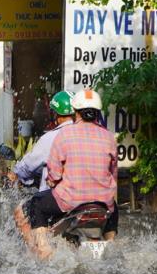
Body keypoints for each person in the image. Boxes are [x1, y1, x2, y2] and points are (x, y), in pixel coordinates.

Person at [16, 89, 118, 259]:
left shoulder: (63, 135)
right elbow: (112, 176)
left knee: (36, 205)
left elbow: (53, 176)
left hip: (71, 201)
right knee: (112, 206)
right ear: (97, 113)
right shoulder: (109, 137)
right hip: (102, 203)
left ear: (76, 112)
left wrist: (52, 182)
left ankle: (43, 252)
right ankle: (111, 247)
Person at [11, 90, 76, 188]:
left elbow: (28, 166)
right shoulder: (89, 136)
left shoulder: (50, 138)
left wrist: (15, 173)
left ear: (55, 114)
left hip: (56, 198)